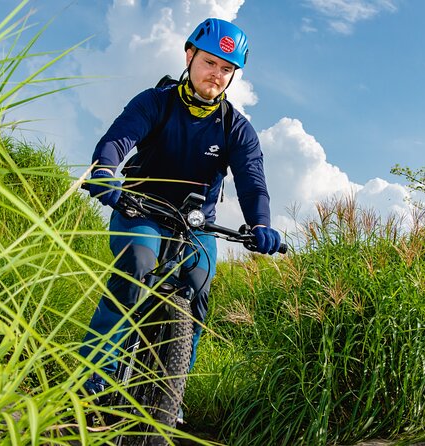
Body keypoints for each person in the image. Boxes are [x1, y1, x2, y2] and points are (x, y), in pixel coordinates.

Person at [79, 18, 281, 401]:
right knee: (137, 266)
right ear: (189, 56)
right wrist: (105, 170)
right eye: (209, 63)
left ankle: (171, 393)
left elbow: (252, 180)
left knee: (200, 289)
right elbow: (120, 137)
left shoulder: (236, 128)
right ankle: (94, 376)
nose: (216, 75)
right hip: (139, 209)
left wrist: (261, 225)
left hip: (195, 224)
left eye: (226, 69)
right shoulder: (156, 102)